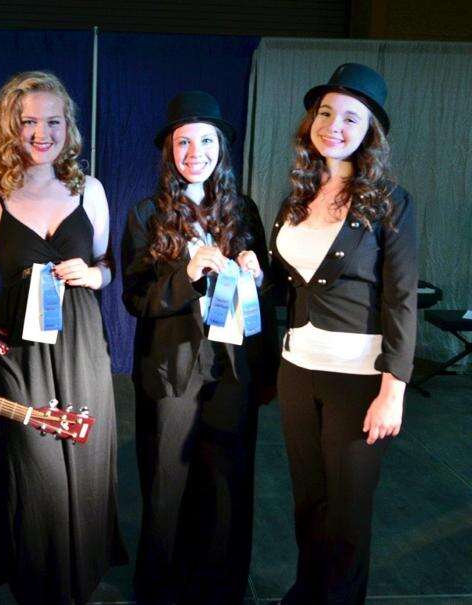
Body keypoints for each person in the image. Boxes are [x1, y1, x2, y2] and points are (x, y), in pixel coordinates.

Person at [0, 71, 127, 605]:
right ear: (10, 128)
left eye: (53, 122)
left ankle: (81, 581)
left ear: (68, 127)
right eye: (30, 122)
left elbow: (107, 265)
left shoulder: (90, 190)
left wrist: (95, 276)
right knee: (35, 466)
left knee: (87, 460)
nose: (43, 133)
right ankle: (40, 584)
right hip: (21, 352)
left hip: (83, 344)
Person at [268, 63, 418, 604]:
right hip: (297, 370)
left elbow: (402, 300)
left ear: (369, 131)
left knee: (348, 513)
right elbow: (284, 283)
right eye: (326, 113)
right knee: (309, 502)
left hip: (359, 379)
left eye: (351, 118)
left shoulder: (390, 201)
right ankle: (307, 594)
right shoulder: (295, 198)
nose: (334, 125)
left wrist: (393, 390)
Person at [121, 91, 278, 605]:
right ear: (170, 151)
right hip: (172, 369)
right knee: (168, 482)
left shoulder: (243, 211)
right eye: (184, 142)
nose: (196, 153)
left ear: (220, 149)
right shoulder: (146, 214)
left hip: (232, 368)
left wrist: (258, 276)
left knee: (228, 481)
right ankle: (161, 590)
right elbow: (135, 298)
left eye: (206, 141)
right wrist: (186, 275)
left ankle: (221, 589)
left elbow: (267, 293)